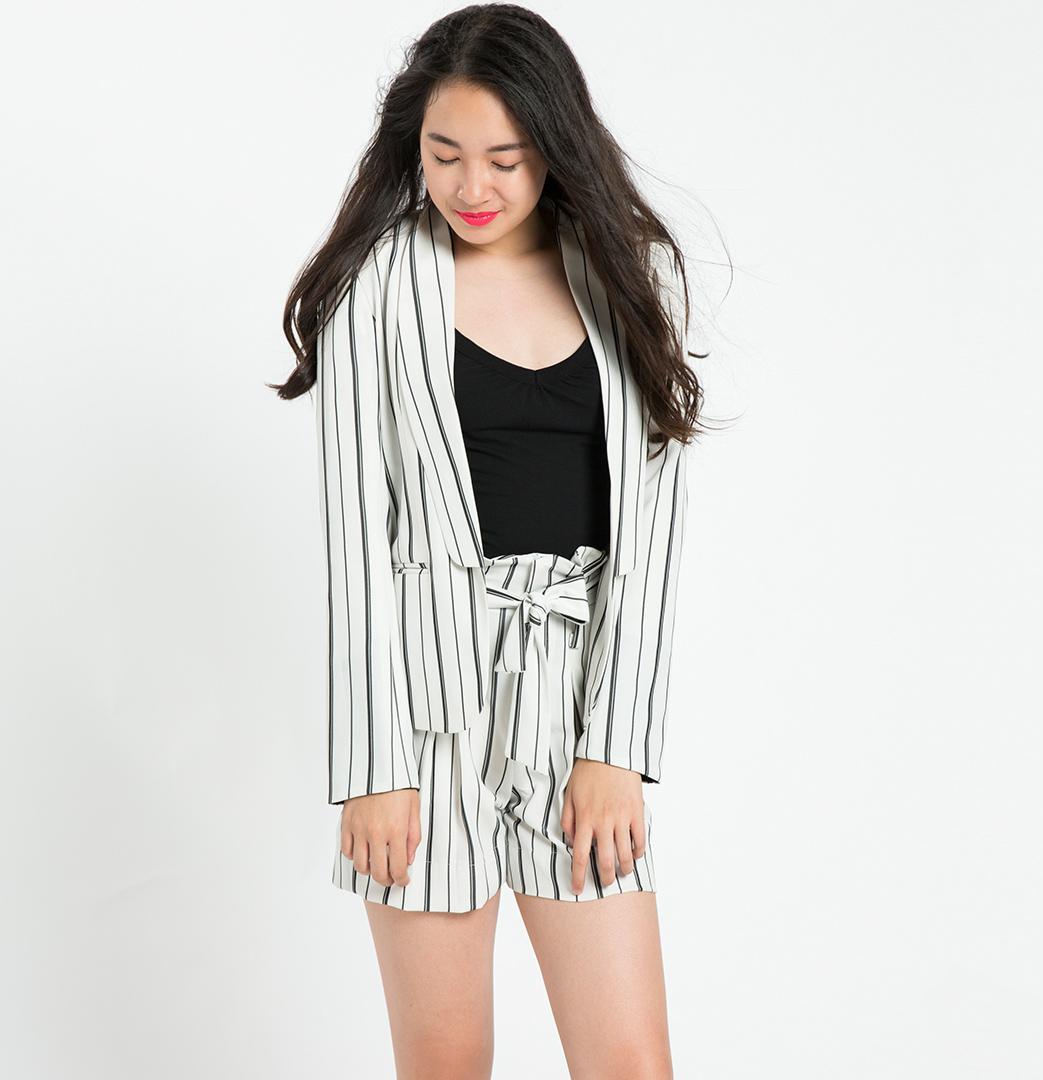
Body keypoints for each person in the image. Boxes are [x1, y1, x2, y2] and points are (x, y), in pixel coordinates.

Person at [273, 5, 710, 1077]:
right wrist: (373, 768)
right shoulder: (374, 290)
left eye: (505, 160)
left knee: (629, 1061)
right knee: (445, 1060)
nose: (472, 186)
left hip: (575, 701)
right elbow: (354, 543)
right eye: (445, 155)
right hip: (421, 719)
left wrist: (615, 749)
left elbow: (651, 541)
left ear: (553, 147)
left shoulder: (631, 276)